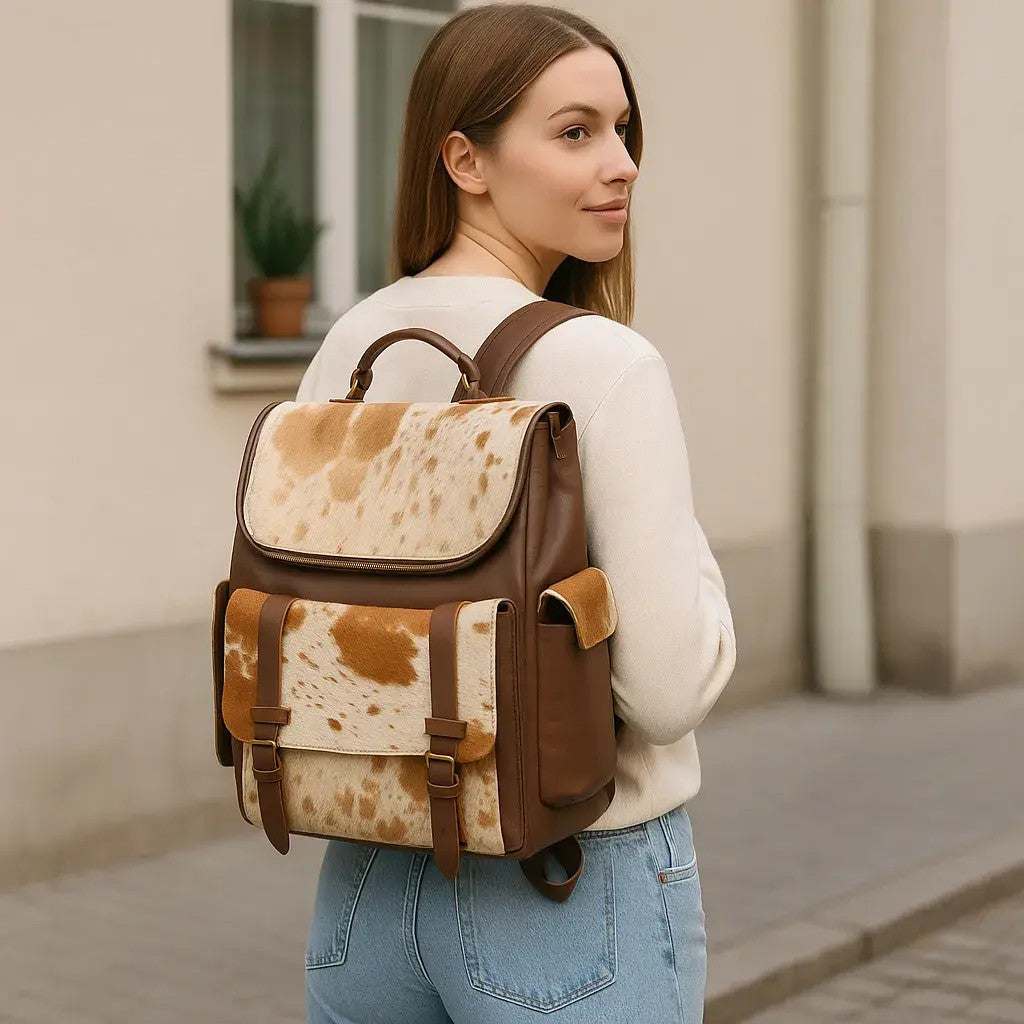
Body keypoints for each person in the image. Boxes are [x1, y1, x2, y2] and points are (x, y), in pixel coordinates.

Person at [294, 4, 737, 1021]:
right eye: (574, 132)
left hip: (368, 878)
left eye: (624, 130)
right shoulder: (602, 361)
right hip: (568, 880)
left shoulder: (349, 346)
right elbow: (666, 689)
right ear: (466, 160)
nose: (620, 163)